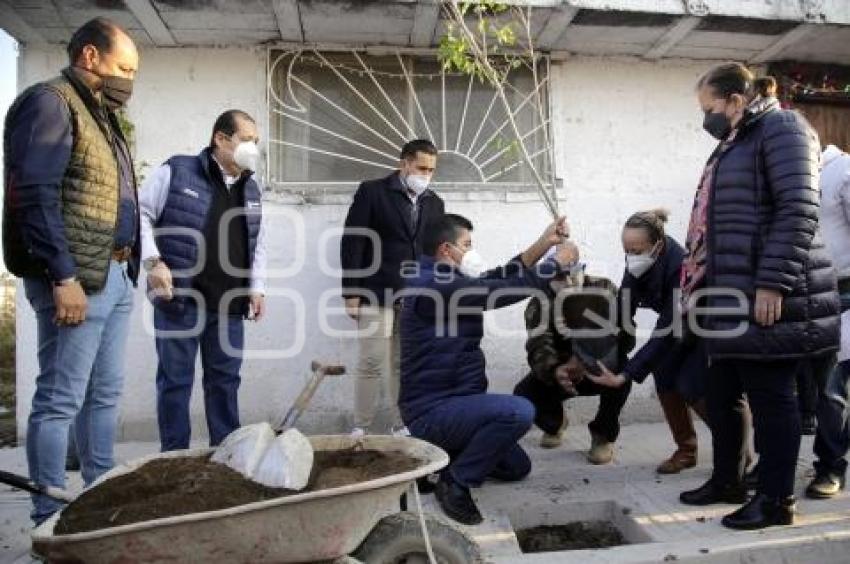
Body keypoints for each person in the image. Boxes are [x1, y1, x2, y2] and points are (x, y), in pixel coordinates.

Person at [671, 63, 839, 530]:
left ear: (734, 99)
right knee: (719, 390)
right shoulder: (735, 141)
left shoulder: (783, 127)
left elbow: (798, 207)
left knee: (772, 399)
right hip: (726, 293)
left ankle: (776, 500)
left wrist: (772, 282)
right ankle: (728, 479)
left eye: (709, 108)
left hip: (767, 292)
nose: (705, 119)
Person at [1, 17, 140, 524]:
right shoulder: (50, 103)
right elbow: (33, 195)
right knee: (61, 398)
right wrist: (63, 277)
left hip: (114, 277)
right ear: (89, 56)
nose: (129, 78)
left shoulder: (97, 112)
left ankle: (97, 501)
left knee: (103, 395)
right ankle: (48, 516)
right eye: (123, 67)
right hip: (77, 279)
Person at [399, 213, 571, 525]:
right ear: (446, 249)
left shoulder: (447, 279)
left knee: (516, 468)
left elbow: (502, 276)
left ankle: (434, 461)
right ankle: (455, 482)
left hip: (458, 405)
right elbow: (497, 293)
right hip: (432, 411)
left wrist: (544, 243)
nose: (472, 250)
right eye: (467, 245)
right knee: (518, 412)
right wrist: (554, 264)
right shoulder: (431, 285)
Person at [139, 110, 267, 451]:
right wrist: (153, 261)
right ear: (220, 139)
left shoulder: (250, 188)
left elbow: (256, 241)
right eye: (245, 140)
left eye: (256, 142)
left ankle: (226, 455)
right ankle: (174, 458)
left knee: (225, 382)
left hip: (229, 304)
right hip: (181, 300)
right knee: (175, 383)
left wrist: (257, 288)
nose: (252, 148)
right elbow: (141, 213)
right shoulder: (178, 170)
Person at [589, 209, 712, 473]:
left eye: (637, 250)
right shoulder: (638, 259)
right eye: (627, 250)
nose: (631, 257)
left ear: (659, 244)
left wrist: (627, 374)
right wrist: (599, 349)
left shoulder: (681, 266)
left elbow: (667, 329)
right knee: (665, 377)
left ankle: (736, 455)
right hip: (676, 325)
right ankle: (686, 450)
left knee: (694, 386)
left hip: (705, 327)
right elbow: (624, 307)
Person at [340, 139, 445, 436]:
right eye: (422, 167)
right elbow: (353, 243)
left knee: (404, 363)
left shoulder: (435, 203)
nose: (426, 175)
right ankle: (361, 426)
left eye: (432, 170)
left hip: (415, 296)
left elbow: (435, 252)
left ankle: (403, 424)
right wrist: (351, 293)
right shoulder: (372, 192)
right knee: (372, 359)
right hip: (376, 291)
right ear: (404, 164)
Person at [513, 241, 633, 465]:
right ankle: (555, 423)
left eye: (572, 273)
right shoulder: (540, 303)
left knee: (624, 374)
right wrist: (556, 369)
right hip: (563, 373)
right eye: (559, 277)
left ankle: (602, 435)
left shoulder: (604, 289)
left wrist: (588, 358)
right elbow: (539, 344)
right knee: (524, 394)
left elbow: (625, 334)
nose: (568, 282)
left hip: (600, 367)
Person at [806, 144, 850, 499]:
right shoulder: (791, 176)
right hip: (798, 293)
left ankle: (831, 466)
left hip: (842, 292)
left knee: (832, 387)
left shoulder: (842, 172)